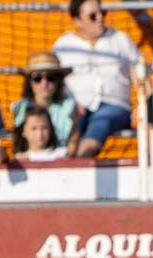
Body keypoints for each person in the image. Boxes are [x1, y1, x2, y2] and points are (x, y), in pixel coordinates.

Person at [53, 0, 140, 157]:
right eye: (93, 16)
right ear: (77, 21)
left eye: (102, 13)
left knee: (101, 122)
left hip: (115, 106)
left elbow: (139, 78)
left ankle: (76, 164)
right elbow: (54, 83)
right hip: (76, 108)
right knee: (70, 127)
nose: (100, 18)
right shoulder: (63, 45)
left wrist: (143, 108)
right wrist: (69, 104)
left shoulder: (121, 39)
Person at [11, 52, 80, 157]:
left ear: (58, 81)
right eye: (37, 78)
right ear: (29, 82)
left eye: (50, 77)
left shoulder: (70, 107)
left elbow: (74, 140)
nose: (44, 83)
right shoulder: (20, 107)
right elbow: (18, 143)